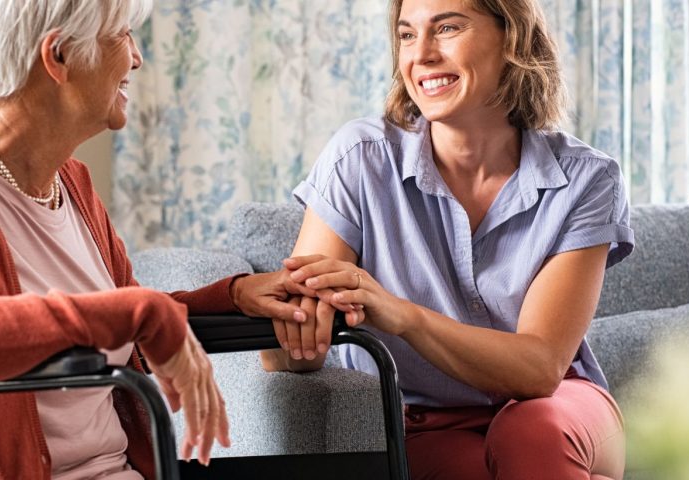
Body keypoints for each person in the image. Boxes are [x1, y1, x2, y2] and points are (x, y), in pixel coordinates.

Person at [0, 1, 303, 479]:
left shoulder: (73, 185)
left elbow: (115, 318)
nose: (136, 58)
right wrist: (136, 312)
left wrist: (234, 295)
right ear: (58, 55)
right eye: (121, 35)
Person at [263, 0, 635, 478]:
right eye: (406, 35)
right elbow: (295, 343)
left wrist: (405, 317)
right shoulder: (359, 161)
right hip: (424, 422)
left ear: (513, 37)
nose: (421, 54)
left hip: (559, 405)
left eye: (447, 28)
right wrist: (289, 329)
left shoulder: (587, 180)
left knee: (530, 433)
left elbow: (540, 369)